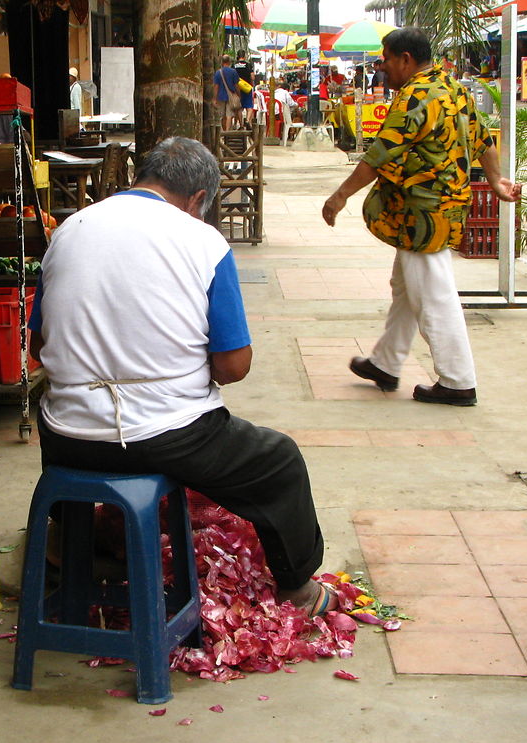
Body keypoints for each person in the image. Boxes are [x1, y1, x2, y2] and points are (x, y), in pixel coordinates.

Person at [28, 136, 337, 617]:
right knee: (280, 461)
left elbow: (39, 350)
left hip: (68, 436)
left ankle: (65, 548)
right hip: (166, 436)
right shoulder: (203, 240)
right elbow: (234, 367)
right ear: (197, 200)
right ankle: (298, 587)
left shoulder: (69, 229)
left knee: (67, 422)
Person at [322, 27, 522, 407]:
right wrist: (495, 180)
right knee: (406, 286)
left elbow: (380, 154)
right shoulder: (454, 88)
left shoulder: (415, 96)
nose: (383, 68)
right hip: (444, 208)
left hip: (421, 213)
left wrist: (340, 195)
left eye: (385, 59)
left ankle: (457, 380)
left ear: (405, 60)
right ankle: (385, 362)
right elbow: (483, 139)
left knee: (433, 293)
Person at [213, 55, 243, 130]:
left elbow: (216, 87)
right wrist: (239, 95)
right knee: (229, 115)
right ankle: (227, 132)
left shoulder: (218, 73)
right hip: (231, 96)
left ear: (222, 62)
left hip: (221, 96)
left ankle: (223, 133)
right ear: (229, 62)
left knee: (223, 116)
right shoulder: (233, 72)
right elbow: (236, 85)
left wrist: (214, 98)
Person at [271, 78, 298, 146]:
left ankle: (287, 132)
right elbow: (291, 103)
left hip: (272, 113)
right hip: (280, 115)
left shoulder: (272, 93)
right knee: (295, 113)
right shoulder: (285, 92)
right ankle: (291, 133)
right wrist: (296, 104)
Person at [233, 51, 255, 126]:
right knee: (249, 106)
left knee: (239, 107)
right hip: (247, 87)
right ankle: (248, 120)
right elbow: (252, 77)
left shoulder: (234, 65)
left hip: (236, 88)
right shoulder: (248, 65)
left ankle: (241, 124)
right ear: (244, 56)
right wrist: (251, 83)